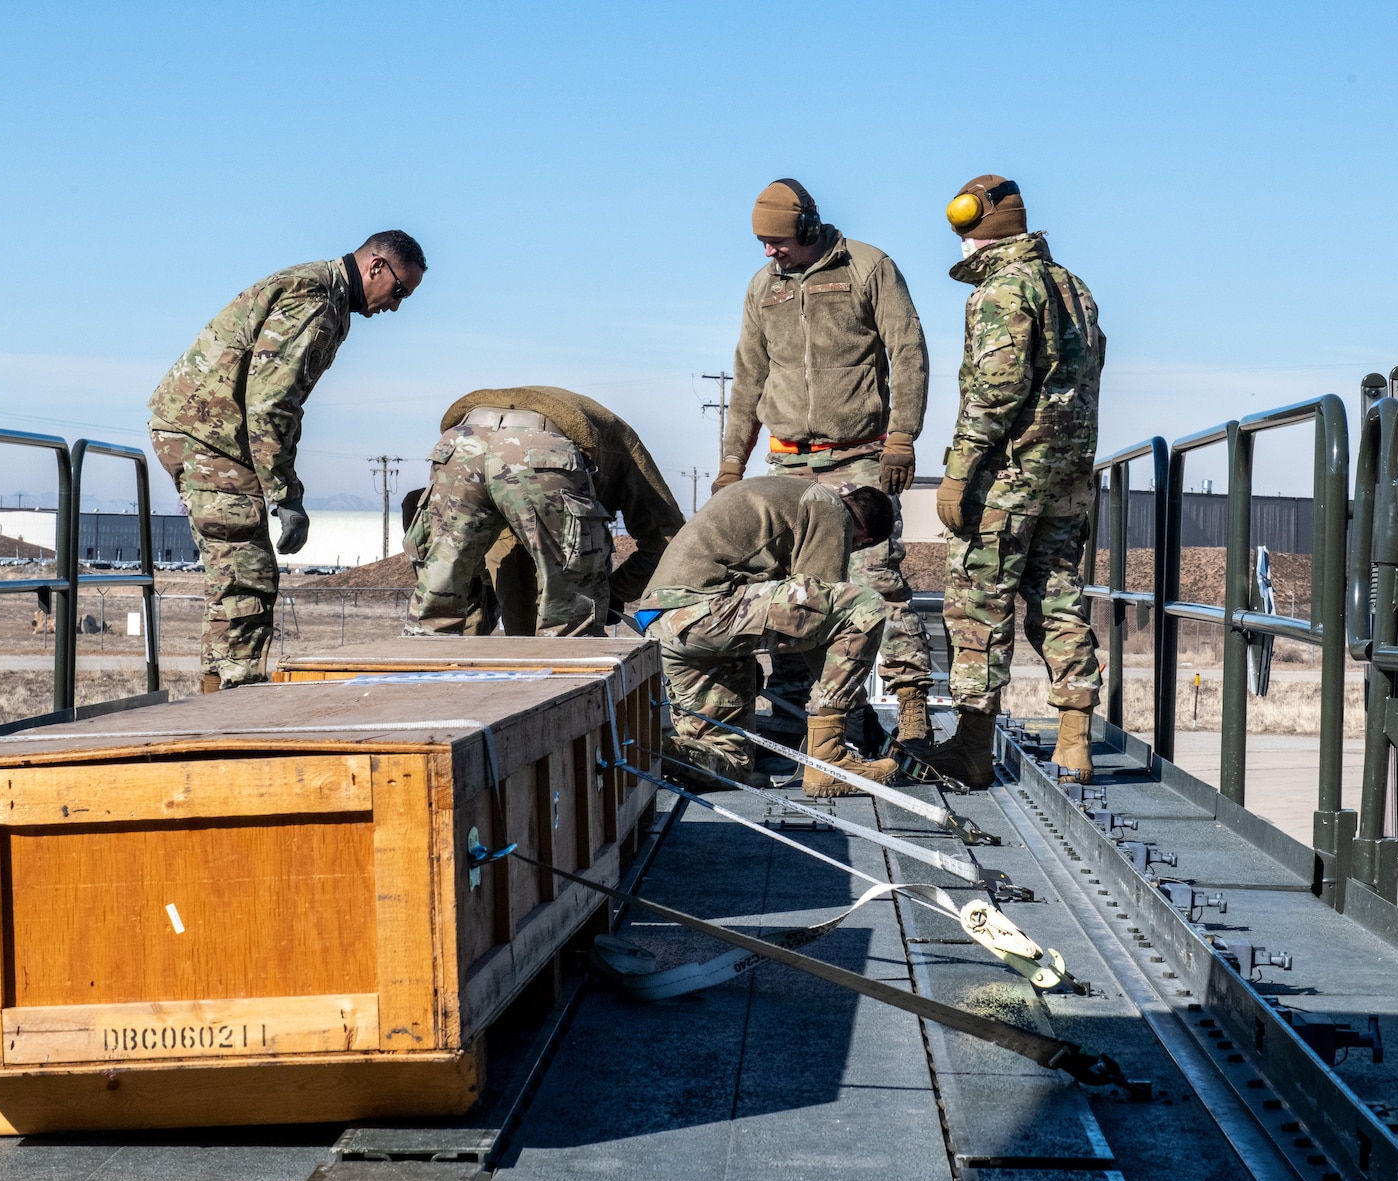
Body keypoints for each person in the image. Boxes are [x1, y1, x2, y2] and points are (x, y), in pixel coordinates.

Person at [714, 179, 938, 749]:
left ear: (810, 229)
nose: (769, 252)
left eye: (779, 240)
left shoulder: (868, 267)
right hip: (788, 464)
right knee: (794, 590)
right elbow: (748, 378)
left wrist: (902, 439)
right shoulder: (763, 287)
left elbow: (908, 350)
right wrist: (730, 466)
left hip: (860, 458)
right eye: (762, 242)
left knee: (877, 582)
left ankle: (912, 707)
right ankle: (799, 713)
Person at [149, 231, 426, 690]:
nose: (395, 306)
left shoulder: (330, 300)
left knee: (234, 575)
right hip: (209, 435)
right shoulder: (315, 300)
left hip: (215, 434)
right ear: (376, 267)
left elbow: (281, 403)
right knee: (247, 574)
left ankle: (219, 693)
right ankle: (236, 701)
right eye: (398, 291)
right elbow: (270, 402)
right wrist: (284, 494)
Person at [919, 176, 1106, 786]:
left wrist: (957, 471)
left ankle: (973, 747)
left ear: (978, 226)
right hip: (1068, 476)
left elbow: (994, 391)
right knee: (1057, 595)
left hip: (1007, 478)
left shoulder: (1002, 290)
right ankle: (1075, 740)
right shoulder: (1074, 287)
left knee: (978, 607)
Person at [639, 476, 899, 797]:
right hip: (701, 608)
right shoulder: (831, 510)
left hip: (665, 621)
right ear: (864, 539)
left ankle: (651, 747)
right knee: (865, 605)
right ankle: (828, 761)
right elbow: (824, 626)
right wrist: (855, 709)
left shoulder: (791, 497)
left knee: (732, 760)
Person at [404, 386, 686, 636]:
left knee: (435, 610)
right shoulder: (623, 445)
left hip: (459, 442)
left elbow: (426, 523)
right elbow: (669, 541)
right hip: (542, 449)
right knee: (570, 619)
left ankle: (424, 682)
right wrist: (613, 592)